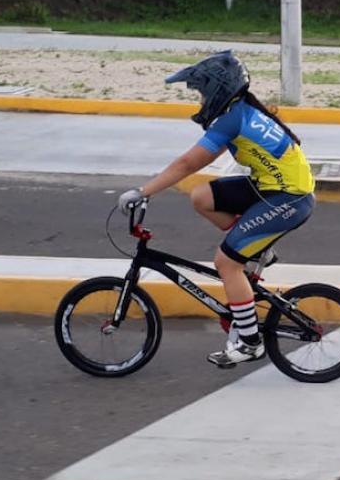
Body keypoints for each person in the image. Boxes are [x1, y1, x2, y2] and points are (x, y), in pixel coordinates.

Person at [116, 50, 316, 367]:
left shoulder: (233, 119)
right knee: (201, 196)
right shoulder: (239, 111)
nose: (201, 99)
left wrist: (142, 192)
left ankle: (250, 343)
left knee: (226, 263)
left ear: (220, 90)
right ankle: (254, 251)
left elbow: (187, 163)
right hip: (271, 188)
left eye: (202, 92)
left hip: (289, 198)